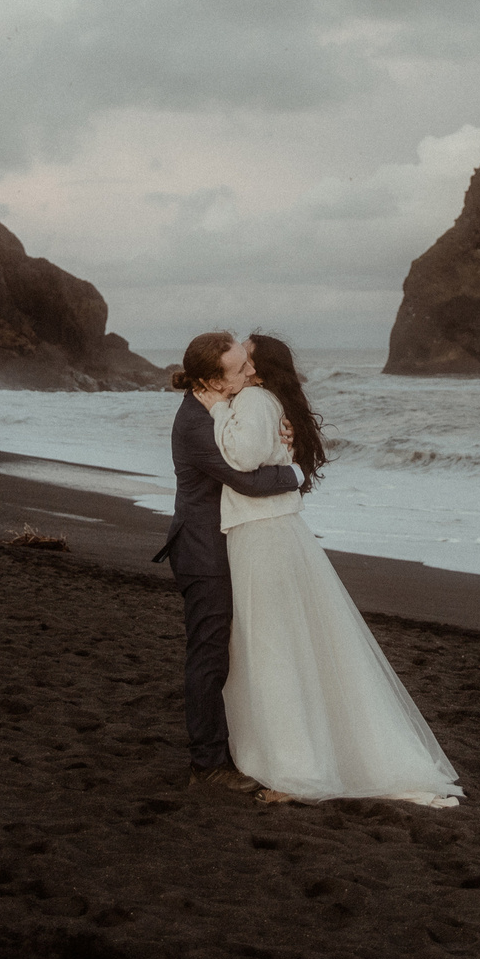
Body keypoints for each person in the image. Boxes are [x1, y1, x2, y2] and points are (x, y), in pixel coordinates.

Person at [215, 334, 462, 808]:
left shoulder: (252, 398)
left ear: (259, 368)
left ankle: (297, 771)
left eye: (246, 353)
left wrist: (219, 411)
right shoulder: (268, 400)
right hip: (274, 533)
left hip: (263, 535)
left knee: (273, 648)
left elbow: (243, 459)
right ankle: (300, 759)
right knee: (288, 644)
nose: (239, 358)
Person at [154, 330, 305, 792]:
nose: (250, 373)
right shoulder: (196, 426)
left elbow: (253, 446)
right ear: (213, 381)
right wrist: (297, 470)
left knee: (228, 652)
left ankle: (232, 749)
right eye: (240, 369)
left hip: (225, 543)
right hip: (203, 551)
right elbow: (250, 482)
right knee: (209, 656)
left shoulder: (223, 405)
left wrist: (283, 438)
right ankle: (208, 764)